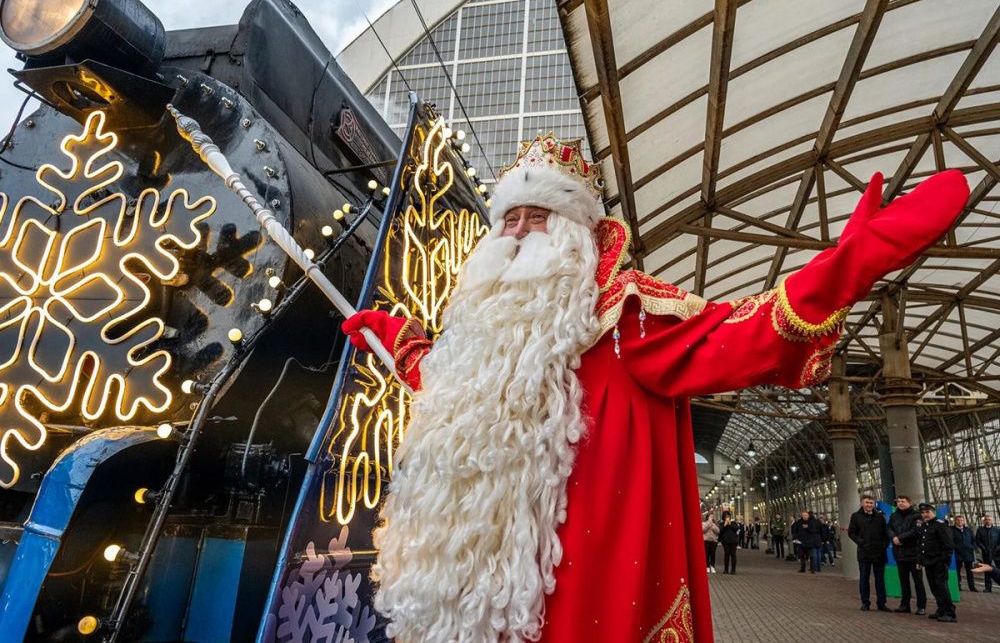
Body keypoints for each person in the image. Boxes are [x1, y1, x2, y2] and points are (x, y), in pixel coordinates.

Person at [342, 130, 969, 642]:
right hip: (474, 605)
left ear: (574, 235)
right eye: (509, 219)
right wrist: (404, 342)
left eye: (538, 217)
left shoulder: (626, 316)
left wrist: (846, 267)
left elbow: (740, 335)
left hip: (582, 602)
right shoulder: (484, 333)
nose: (517, 234)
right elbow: (463, 394)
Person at [848, 494, 891, 612]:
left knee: (880, 579)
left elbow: (886, 533)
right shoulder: (856, 516)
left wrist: (884, 545)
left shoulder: (880, 517)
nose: (869, 505)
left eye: (871, 503)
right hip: (864, 552)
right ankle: (865, 602)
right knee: (864, 578)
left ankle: (881, 603)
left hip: (879, 553)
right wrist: (861, 542)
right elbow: (851, 533)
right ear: (862, 503)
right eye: (867, 502)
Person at [887, 495, 927, 614]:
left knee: (918, 581)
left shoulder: (917, 516)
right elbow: (888, 528)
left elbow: (916, 531)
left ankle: (921, 606)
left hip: (914, 554)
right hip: (899, 554)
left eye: (903, 501)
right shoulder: (894, 516)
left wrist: (899, 538)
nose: (900, 503)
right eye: (898, 501)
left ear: (909, 502)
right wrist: (893, 537)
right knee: (903, 581)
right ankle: (904, 605)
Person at [917, 503, 956, 623]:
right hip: (928, 561)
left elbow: (948, 545)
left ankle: (950, 613)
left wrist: (944, 561)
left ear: (933, 512)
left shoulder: (940, 525)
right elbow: (922, 544)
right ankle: (941, 609)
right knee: (934, 587)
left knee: (942, 587)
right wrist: (920, 560)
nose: (925, 515)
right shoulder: (925, 525)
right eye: (923, 513)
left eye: (927, 512)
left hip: (939, 561)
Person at [951, 515, 977, 592]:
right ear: (955, 521)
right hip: (957, 554)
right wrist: (956, 548)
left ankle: (972, 587)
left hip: (968, 554)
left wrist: (972, 547)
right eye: (958, 520)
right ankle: (958, 586)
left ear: (964, 521)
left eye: (961, 520)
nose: (960, 522)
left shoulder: (968, 530)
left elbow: (974, 540)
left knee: (970, 572)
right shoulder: (951, 530)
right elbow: (950, 541)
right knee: (957, 572)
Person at [975, 514, 999, 592]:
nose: (988, 521)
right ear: (984, 521)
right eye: (986, 519)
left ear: (992, 521)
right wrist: (984, 548)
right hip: (986, 554)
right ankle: (988, 588)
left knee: (998, 570)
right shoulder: (980, 530)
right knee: (987, 570)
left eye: (989, 519)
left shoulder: (997, 530)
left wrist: (997, 549)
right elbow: (978, 540)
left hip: (997, 554)